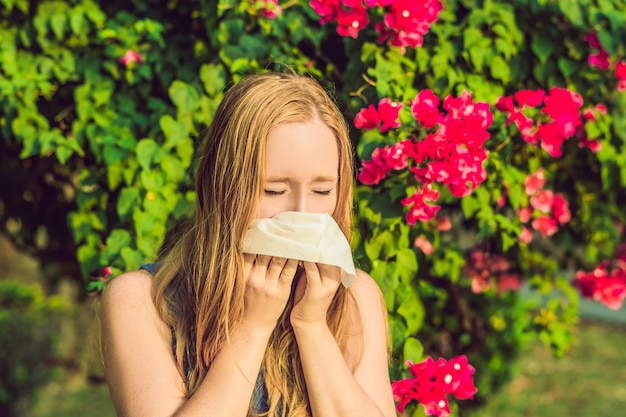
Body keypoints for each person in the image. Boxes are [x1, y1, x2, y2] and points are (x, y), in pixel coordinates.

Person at [100, 72, 396, 417]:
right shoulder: (140, 301)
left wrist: (312, 326)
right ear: (223, 187)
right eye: (273, 190)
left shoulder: (357, 297)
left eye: (322, 191)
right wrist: (252, 327)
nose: (301, 214)